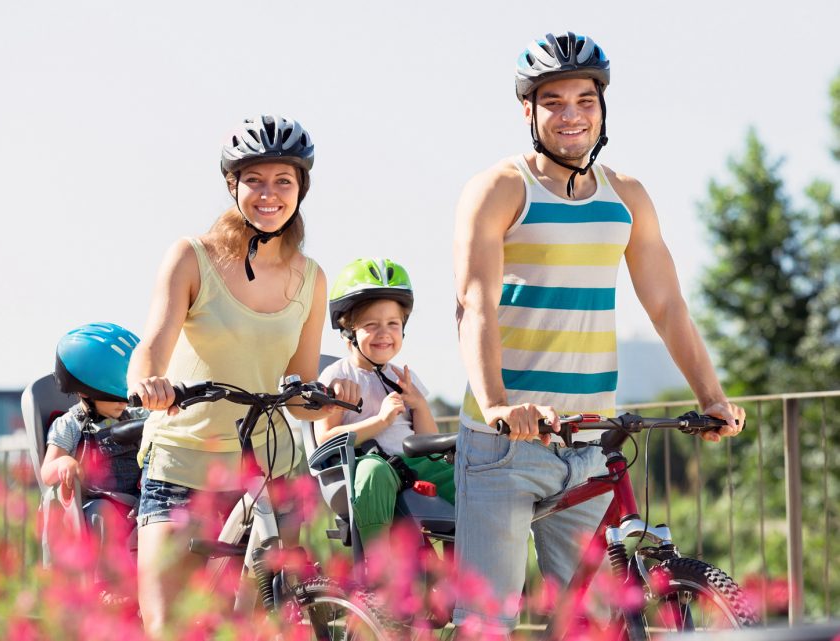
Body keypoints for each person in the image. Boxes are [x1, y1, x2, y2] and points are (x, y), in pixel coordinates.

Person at [451, 31, 746, 635]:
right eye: (554, 101)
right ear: (527, 111)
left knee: (594, 621)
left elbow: (666, 305)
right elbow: (473, 301)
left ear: (602, 107)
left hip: (588, 441)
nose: (571, 115)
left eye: (585, 100)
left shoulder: (625, 197)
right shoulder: (500, 189)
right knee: (488, 622)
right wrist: (499, 404)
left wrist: (711, 397)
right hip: (504, 441)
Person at [126, 114, 360, 637]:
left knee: (266, 620)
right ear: (233, 185)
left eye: (284, 181)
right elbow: (152, 347)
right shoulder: (193, 257)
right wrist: (148, 383)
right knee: (167, 623)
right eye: (255, 179)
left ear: (301, 189)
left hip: (270, 470)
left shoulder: (311, 277)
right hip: (185, 463)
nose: (269, 194)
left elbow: (299, 389)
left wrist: (326, 396)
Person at [316, 258, 455, 543]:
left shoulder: (404, 376)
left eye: (393, 323)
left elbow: (427, 441)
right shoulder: (338, 375)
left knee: (466, 479)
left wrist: (419, 404)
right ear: (348, 332)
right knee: (373, 471)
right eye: (371, 325)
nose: (384, 333)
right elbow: (326, 437)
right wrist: (380, 421)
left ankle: (470, 570)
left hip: (413, 463)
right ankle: (376, 569)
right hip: (371, 464)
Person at [41, 321, 147, 598]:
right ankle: (104, 589)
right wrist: (64, 463)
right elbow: (47, 470)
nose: (124, 404)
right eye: (115, 397)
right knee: (103, 514)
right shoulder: (70, 425)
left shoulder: (133, 417)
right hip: (91, 505)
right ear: (86, 392)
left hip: (136, 502)